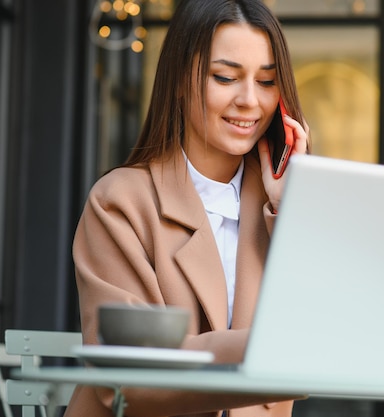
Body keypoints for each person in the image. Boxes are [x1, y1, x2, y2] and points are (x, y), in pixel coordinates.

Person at [65, 0, 309, 416]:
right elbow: (128, 375)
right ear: (180, 79)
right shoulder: (120, 202)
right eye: (225, 77)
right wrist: (275, 347)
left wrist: (292, 212)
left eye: (267, 82)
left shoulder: (280, 213)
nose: (250, 100)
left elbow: (330, 333)